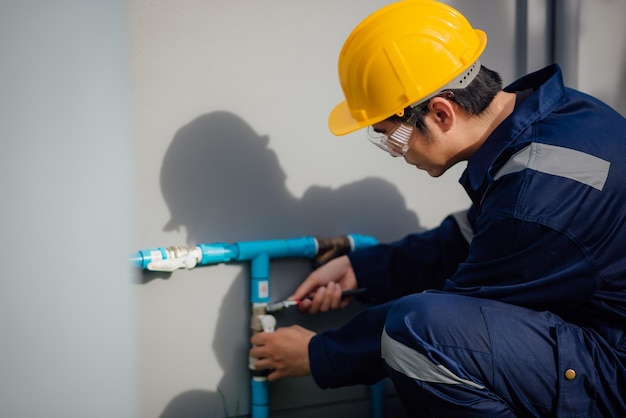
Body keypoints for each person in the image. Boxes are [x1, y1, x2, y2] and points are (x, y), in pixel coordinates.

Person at [250, 1, 626, 416]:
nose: (394, 153)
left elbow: (457, 319)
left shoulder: (538, 198)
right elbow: (477, 237)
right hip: (603, 336)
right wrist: (364, 268)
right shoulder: (560, 121)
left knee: (416, 331)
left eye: (389, 137)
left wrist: (321, 353)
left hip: (615, 368)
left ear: (441, 112)